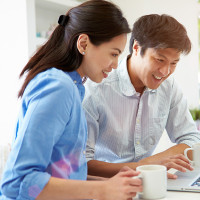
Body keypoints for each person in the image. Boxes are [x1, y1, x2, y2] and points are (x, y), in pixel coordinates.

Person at [0, 1, 142, 200]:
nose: (115, 65)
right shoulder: (58, 87)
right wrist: (101, 191)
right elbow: (18, 183)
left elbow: (61, 173)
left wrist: (108, 185)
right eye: (113, 54)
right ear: (83, 43)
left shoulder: (73, 87)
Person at [83, 14, 200, 179]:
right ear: (137, 48)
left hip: (150, 182)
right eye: (160, 60)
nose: (165, 72)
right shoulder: (95, 88)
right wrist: (144, 167)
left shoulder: (169, 87)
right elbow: (83, 164)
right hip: (107, 187)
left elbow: (192, 138)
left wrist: (152, 163)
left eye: (174, 63)